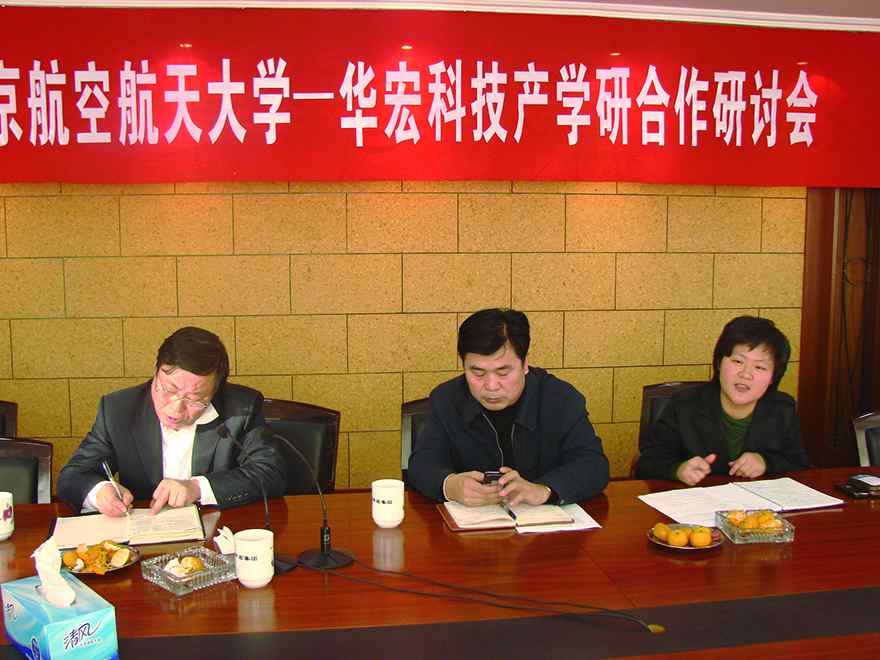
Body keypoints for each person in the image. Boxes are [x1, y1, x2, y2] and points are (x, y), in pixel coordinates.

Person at [58, 326, 285, 516]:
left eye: (195, 399)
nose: (176, 409)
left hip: (216, 533)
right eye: (169, 389)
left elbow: (270, 473)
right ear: (156, 372)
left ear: (215, 391)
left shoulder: (241, 408)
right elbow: (73, 476)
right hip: (143, 532)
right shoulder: (119, 409)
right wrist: (99, 491)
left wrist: (197, 488)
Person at [407, 308, 609, 506]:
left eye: (503, 372)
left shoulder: (560, 398)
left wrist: (545, 490)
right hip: (471, 524)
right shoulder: (446, 399)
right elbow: (421, 464)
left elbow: (593, 465)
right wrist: (450, 486)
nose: (491, 386)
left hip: (543, 524)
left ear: (525, 363)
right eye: (477, 373)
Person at [634, 315, 809, 485]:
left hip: (755, 504)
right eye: (738, 361)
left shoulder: (782, 408)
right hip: (697, 501)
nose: (746, 374)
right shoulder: (684, 405)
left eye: (759, 367)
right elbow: (647, 464)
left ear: (772, 377)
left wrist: (766, 463)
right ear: (719, 363)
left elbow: (799, 465)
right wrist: (678, 470)